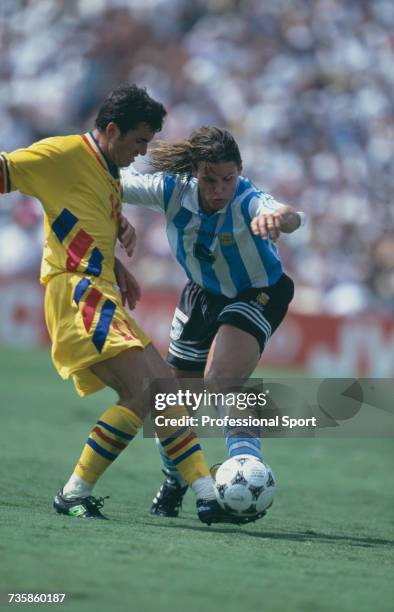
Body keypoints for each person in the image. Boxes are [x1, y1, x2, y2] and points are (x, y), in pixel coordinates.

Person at [0, 87, 230, 525]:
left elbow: (78, 217)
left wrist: (117, 257)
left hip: (99, 289)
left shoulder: (107, 171)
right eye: (138, 141)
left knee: (164, 390)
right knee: (142, 392)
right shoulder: (63, 154)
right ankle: (73, 494)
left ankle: (206, 493)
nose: (142, 152)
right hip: (77, 294)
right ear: (111, 130)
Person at [120, 126, 304, 517]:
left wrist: (279, 219)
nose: (220, 189)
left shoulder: (249, 198)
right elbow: (112, 182)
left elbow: (288, 216)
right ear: (194, 173)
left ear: (239, 172)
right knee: (174, 405)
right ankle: (177, 479)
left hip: (257, 292)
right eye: (210, 180)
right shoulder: (170, 190)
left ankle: (247, 473)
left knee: (222, 379)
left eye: (228, 179)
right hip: (201, 295)